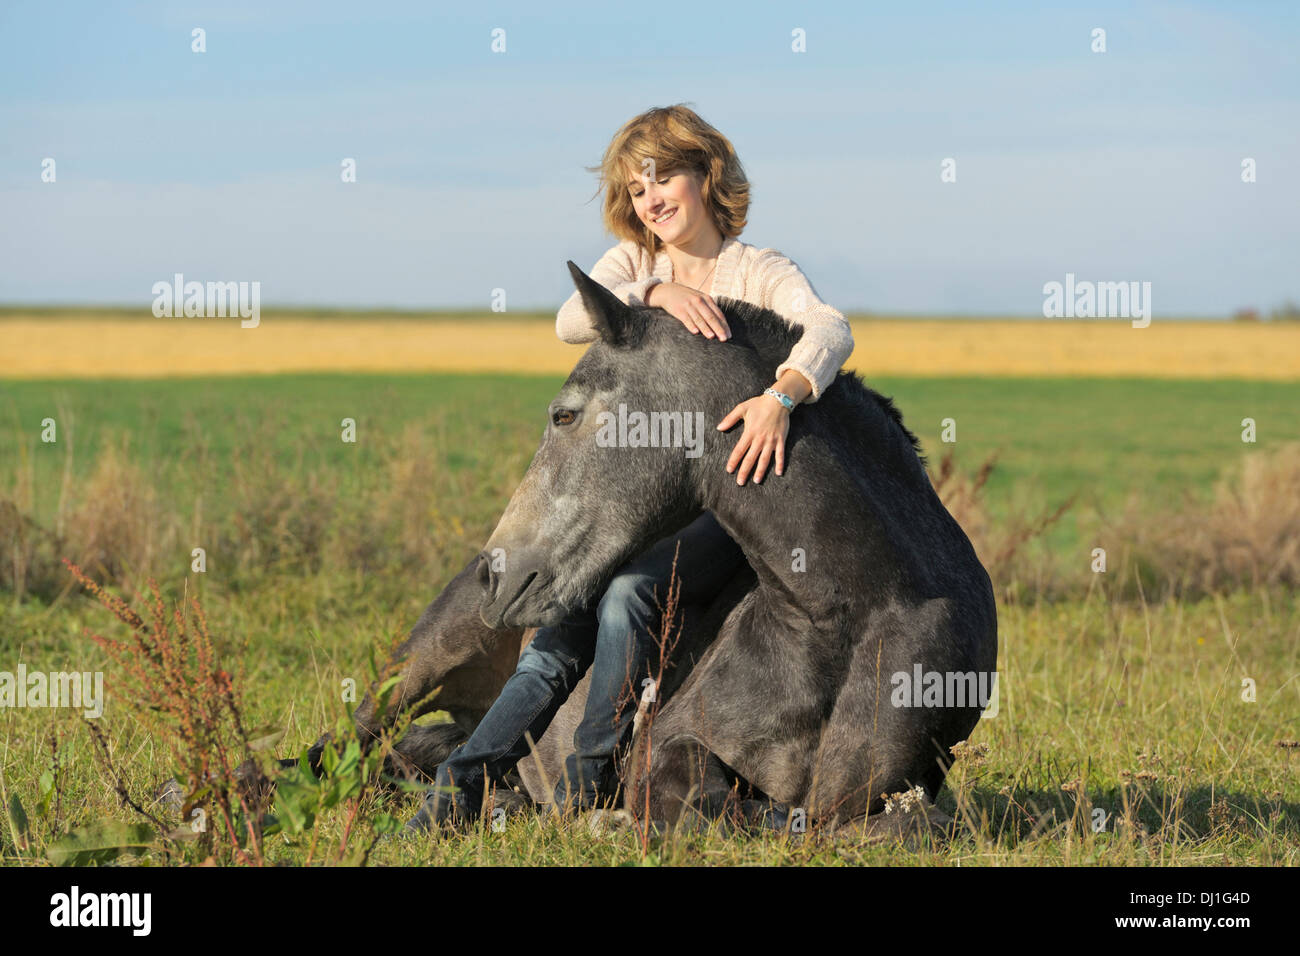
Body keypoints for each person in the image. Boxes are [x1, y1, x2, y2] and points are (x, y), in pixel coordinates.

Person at [407, 103, 854, 832]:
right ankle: (456, 790)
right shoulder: (633, 267)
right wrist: (655, 294)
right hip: (638, 494)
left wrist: (781, 395)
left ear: (707, 176)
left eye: (664, 176)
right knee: (557, 622)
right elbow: (566, 320)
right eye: (636, 188)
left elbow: (830, 328)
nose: (651, 198)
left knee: (627, 596)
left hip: (724, 504)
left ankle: (588, 787)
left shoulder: (757, 271)